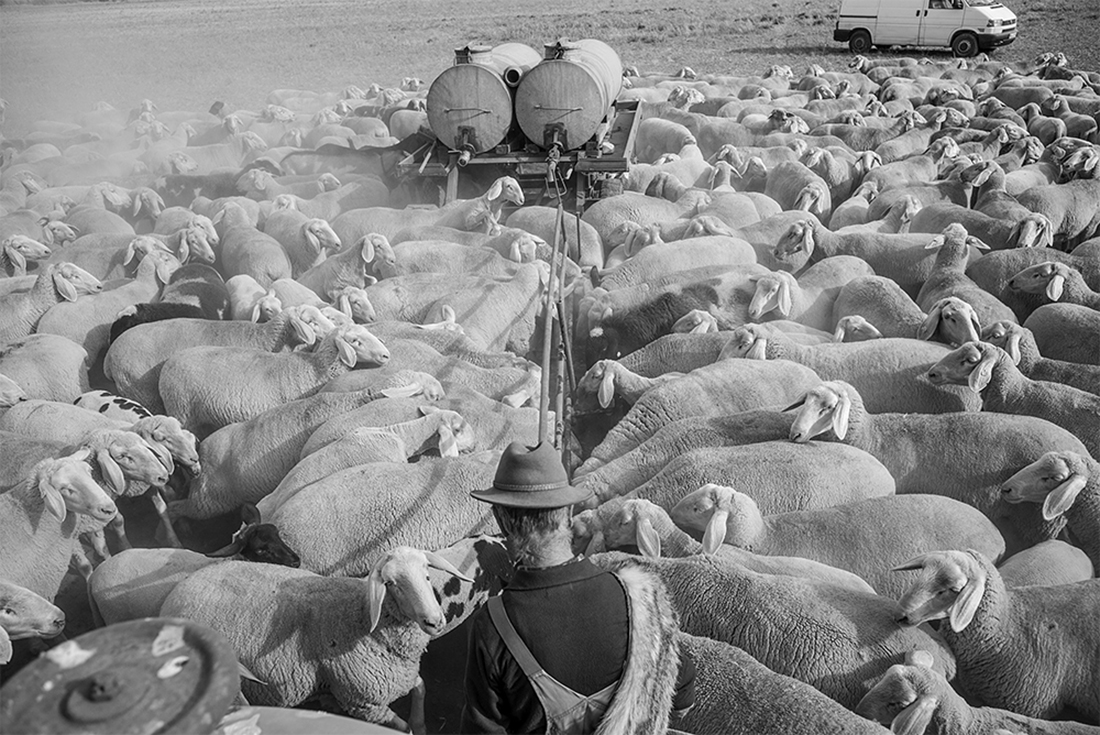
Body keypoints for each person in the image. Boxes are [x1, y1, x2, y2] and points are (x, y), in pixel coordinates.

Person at [462, 441, 695, 735]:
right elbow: (682, 694)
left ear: (501, 519)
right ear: (569, 510)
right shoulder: (638, 596)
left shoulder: (494, 625)